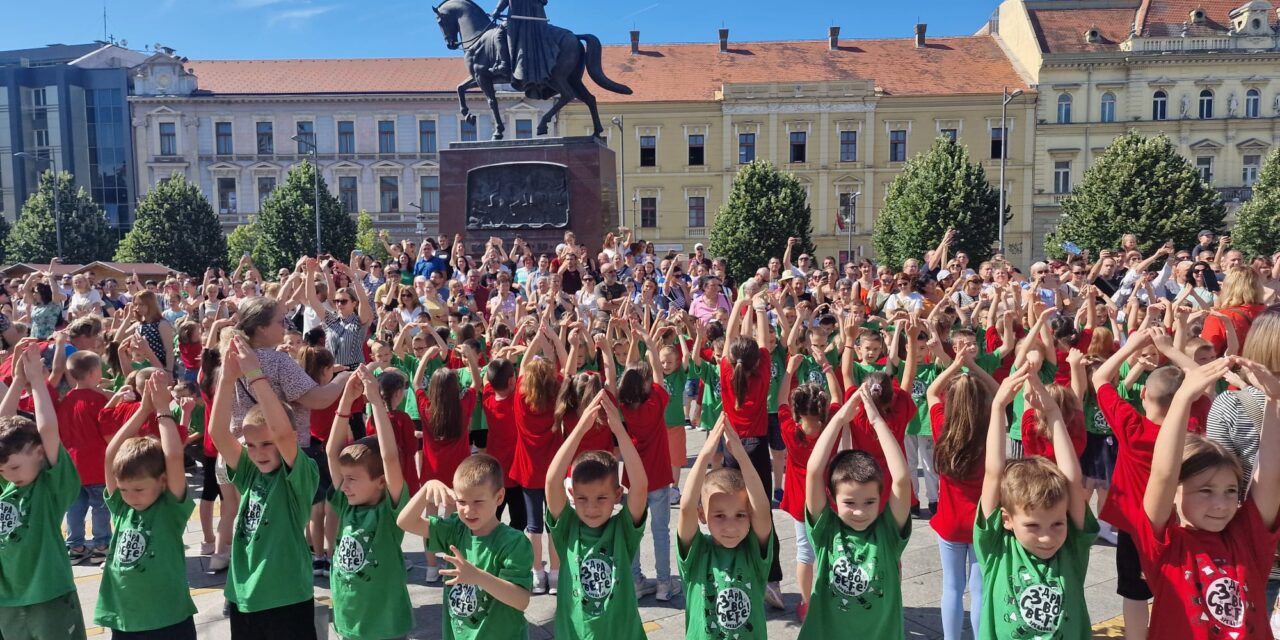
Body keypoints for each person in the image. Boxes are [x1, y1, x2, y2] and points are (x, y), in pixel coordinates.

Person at [1136, 356, 1280, 639]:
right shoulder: (1166, 546)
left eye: (1230, 491)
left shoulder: (1246, 538)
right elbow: (1164, 473)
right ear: (1174, 494)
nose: (1221, 504)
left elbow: (1271, 474)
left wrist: (1273, 401)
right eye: (1205, 490)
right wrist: (1184, 397)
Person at [208, 335, 321, 639]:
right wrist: (228, 378)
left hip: (286, 597)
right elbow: (218, 433)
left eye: (266, 445)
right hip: (243, 595)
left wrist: (255, 375)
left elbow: (284, 435)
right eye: (252, 445)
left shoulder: (297, 477)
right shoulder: (249, 472)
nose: (258, 452)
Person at [977, 355, 1095, 640]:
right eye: (1032, 526)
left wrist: (1054, 413)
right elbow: (993, 473)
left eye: (1057, 524)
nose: (1048, 537)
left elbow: (1072, 480)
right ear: (1007, 520)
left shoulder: (1071, 548)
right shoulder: (997, 549)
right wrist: (997, 407)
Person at [1091, 328, 1186, 640]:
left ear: (1144, 393)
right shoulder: (1191, 431)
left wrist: (1130, 346)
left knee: (1133, 593)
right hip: (1175, 526)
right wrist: (1169, 349)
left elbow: (1100, 379)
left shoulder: (1132, 426)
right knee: (1174, 589)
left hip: (1134, 526)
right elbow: (1203, 380)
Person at [798, 382, 912, 638]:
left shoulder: (888, 533)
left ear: (880, 497)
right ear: (833, 499)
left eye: (869, 502)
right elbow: (814, 472)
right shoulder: (826, 529)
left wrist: (875, 420)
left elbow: (902, 479)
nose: (860, 511)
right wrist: (839, 418)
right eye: (849, 503)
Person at [94, 373, 198, 638]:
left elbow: (173, 456)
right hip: (125, 620)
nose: (130, 496)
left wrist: (163, 410)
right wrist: (143, 409)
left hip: (168, 620)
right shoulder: (122, 507)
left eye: (139, 489)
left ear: (162, 482)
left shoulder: (169, 509)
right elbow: (110, 455)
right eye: (125, 489)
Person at [545, 391, 649, 640]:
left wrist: (619, 431)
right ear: (572, 494)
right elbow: (551, 482)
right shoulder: (568, 527)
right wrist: (580, 429)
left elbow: (641, 485)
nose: (591, 507)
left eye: (601, 498)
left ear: (617, 495)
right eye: (582, 499)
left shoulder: (622, 530)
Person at [0, 343, 87, 640]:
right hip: (7, 601)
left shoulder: (49, 487)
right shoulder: (7, 485)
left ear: (39, 454)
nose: (7, 475)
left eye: (13, 468)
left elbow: (48, 430)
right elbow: (2, 423)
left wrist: (37, 380)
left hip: (48, 596)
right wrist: (19, 382)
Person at [397, 455, 534, 640]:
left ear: (499, 497)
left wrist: (477, 576)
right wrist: (426, 489)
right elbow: (405, 522)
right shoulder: (456, 529)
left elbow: (521, 600)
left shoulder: (514, 542)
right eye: (461, 502)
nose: (468, 510)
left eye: (478, 502)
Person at [325, 365, 413, 640]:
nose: (344, 484)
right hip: (347, 626)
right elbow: (331, 452)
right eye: (344, 478)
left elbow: (389, 458)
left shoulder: (389, 514)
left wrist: (375, 400)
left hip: (383, 629)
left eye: (352, 479)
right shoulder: (346, 505)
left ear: (381, 481)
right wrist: (345, 402)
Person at [676, 416, 775, 640]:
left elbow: (761, 508)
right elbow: (685, 508)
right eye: (719, 515)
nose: (731, 526)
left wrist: (740, 454)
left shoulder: (753, 553)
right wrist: (705, 454)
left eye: (740, 515)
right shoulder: (697, 553)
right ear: (702, 515)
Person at [927, 344, 999, 640]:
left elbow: (932, 392)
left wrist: (956, 365)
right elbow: (1000, 391)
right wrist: (974, 366)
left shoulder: (942, 427)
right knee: (980, 589)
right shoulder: (991, 429)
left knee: (952, 587)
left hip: (949, 521)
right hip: (982, 522)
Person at [56, 348, 112, 565]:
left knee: (75, 508)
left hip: (73, 464)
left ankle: (76, 546)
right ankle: (101, 544)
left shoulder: (66, 400)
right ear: (92, 373)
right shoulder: (99, 400)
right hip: (97, 463)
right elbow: (107, 428)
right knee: (100, 507)